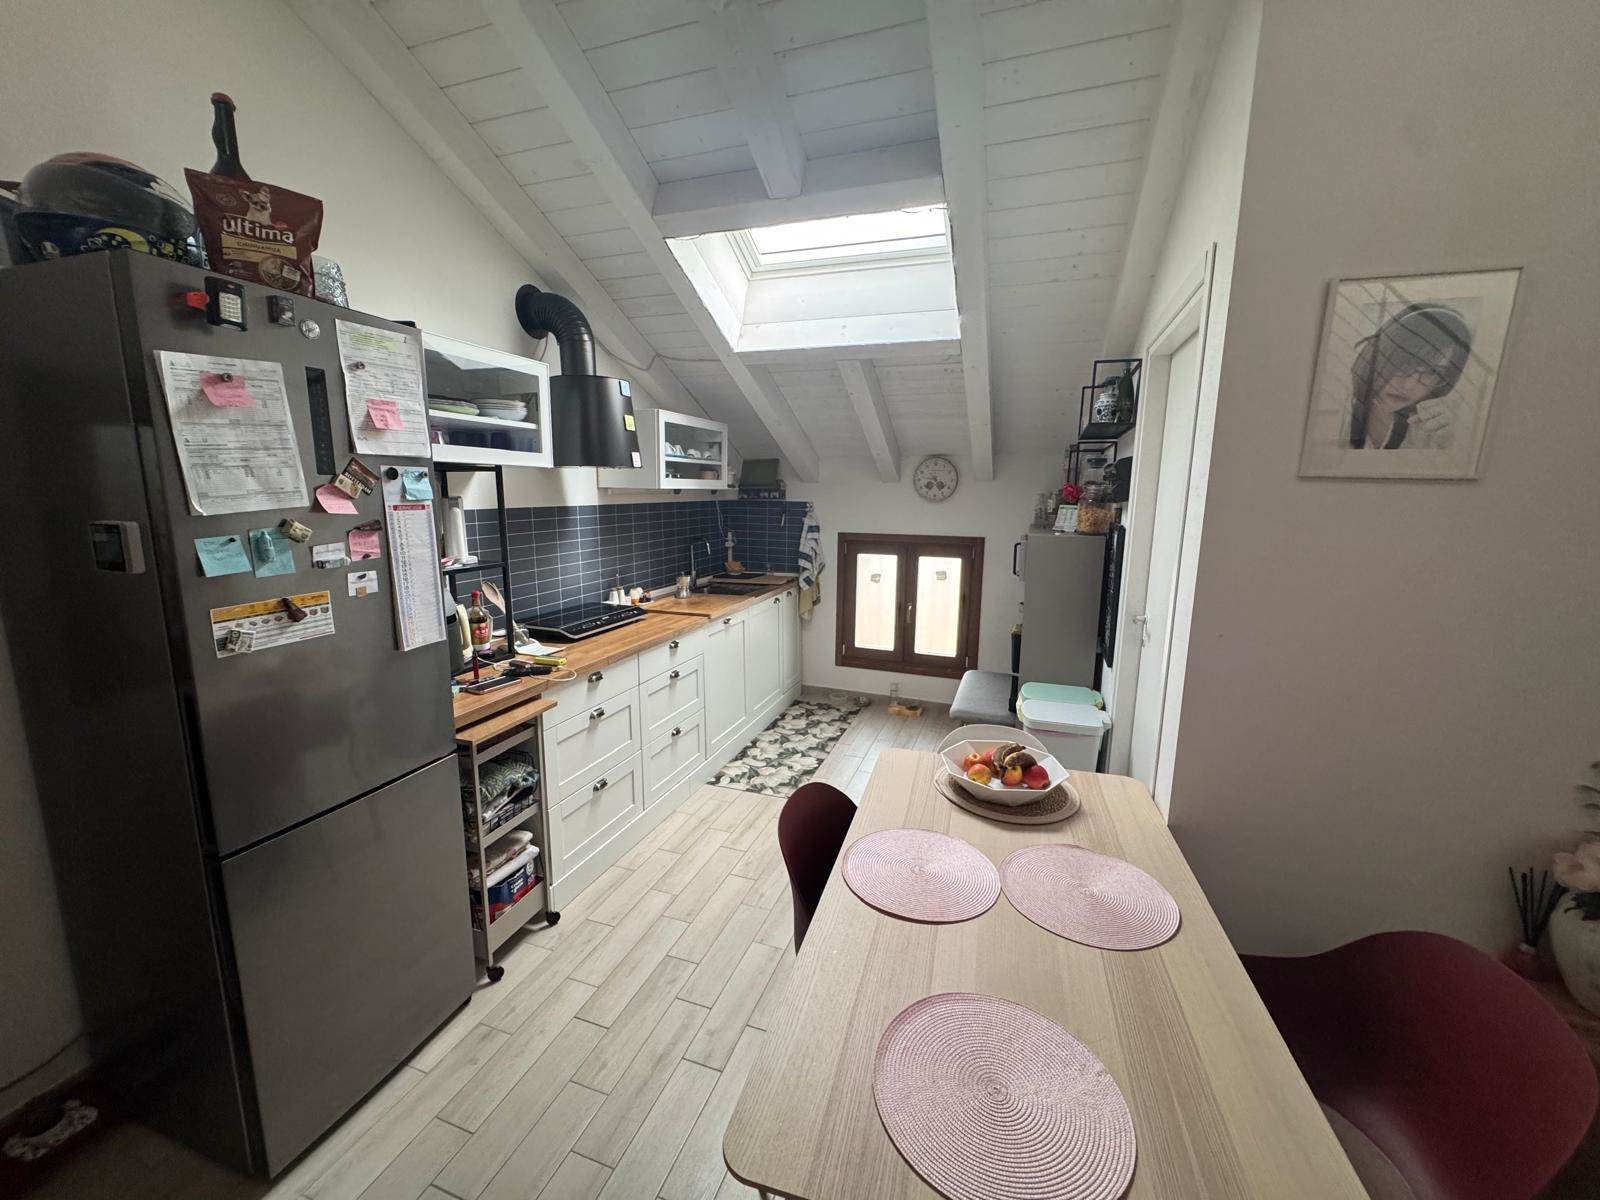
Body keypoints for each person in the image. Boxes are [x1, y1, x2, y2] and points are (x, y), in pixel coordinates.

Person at [1347, 302, 1473, 449]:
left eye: (1433, 372)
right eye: (1404, 362)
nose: (1409, 384)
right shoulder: (1339, 405)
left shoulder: (1436, 428)